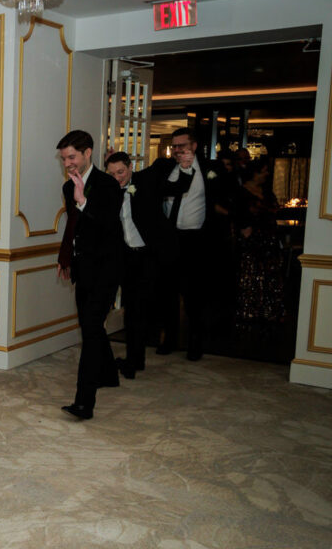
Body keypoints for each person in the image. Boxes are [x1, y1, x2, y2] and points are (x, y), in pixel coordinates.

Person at [56, 130, 123, 420]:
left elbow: (108, 223)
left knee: (92, 331)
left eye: (72, 157)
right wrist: (65, 256)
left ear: (87, 153)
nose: (68, 163)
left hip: (107, 268)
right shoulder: (66, 186)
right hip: (82, 267)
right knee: (90, 326)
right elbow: (74, 226)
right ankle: (108, 374)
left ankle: (84, 402)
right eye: (63, 159)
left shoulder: (108, 184)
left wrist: (84, 201)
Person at [153, 128, 226, 361]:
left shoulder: (211, 169)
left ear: (193, 146)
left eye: (181, 145)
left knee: (194, 294)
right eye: (174, 146)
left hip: (196, 240)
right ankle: (169, 338)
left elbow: (226, 197)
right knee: (167, 292)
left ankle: (195, 341)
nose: (176, 150)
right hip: (169, 238)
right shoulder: (164, 167)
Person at [105, 152, 165, 380]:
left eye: (121, 172)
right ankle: (134, 359)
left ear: (130, 167)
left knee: (144, 309)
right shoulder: (110, 191)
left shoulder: (145, 181)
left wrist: (186, 161)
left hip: (149, 256)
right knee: (132, 311)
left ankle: (138, 356)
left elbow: (163, 166)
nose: (117, 177)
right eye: (112, 173)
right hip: (126, 257)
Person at [233, 159, 285, 325]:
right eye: (264, 171)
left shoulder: (267, 191)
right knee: (252, 272)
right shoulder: (242, 192)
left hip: (269, 235)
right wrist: (245, 229)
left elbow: (275, 209)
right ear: (255, 173)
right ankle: (250, 309)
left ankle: (269, 310)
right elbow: (237, 215)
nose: (267, 174)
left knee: (270, 272)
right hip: (252, 237)